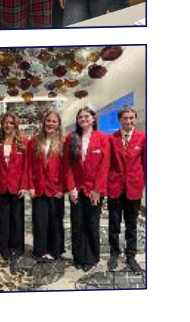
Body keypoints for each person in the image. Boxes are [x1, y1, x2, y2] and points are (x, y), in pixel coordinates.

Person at [64, 106, 111, 272]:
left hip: (94, 190)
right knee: (77, 223)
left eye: (86, 116)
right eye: (80, 117)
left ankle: (91, 256)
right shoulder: (71, 138)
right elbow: (67, 166)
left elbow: (104, 166)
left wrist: (98, 189)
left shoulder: (103, 138)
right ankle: (78, 256)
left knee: (92, 223)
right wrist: (71, 188)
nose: (83, 119)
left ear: (93, 119)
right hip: (76, 189)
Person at [106, 106, 145, 274]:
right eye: (125, 118)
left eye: (131, 118)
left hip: (133, 188)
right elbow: (107, 164)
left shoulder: (142, 138)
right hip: (115, 187)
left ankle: (131, 256)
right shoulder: (111, 138)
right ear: (120, 120)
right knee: (114, 224)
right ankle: (114, 253)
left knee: (132, 225)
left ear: (135, 119)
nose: (128, 121)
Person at [27, 110, 67, 263]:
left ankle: (55, 250)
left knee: (55, 221)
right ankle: (41, 250)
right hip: (38, 188)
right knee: (39, 221)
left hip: (56, 188)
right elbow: (29, 166)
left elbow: (66, 168)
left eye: (54, 121)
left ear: (58, 124)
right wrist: (30, 186)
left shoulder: (63, 142)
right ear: (43, 123)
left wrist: (62, 188)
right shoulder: (34, 141)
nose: (50, 124)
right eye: (48, 121)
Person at [0, 112, 28, 263]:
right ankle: (4, 247)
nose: (8, 125)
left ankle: (18, 247)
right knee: (3, 219)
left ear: (15, 125)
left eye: (11, 123)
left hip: (17, 186)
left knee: (17, 218)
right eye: (5, 123)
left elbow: (26, 166)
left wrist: (24, 185)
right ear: (2, 125)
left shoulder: (23, 141)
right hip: (1, 186)